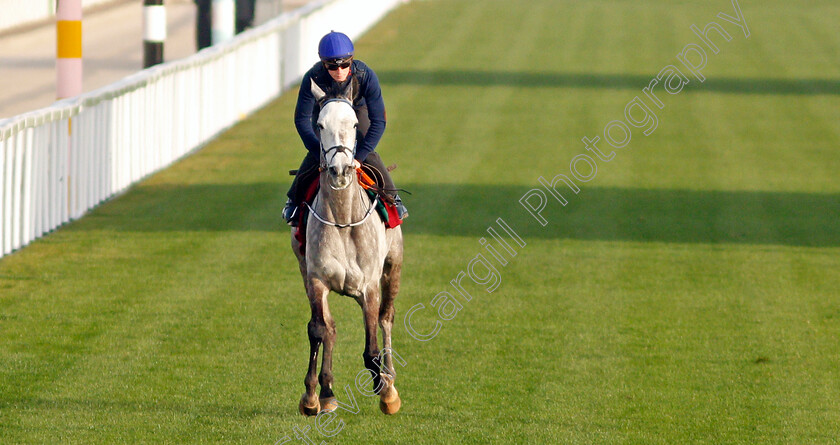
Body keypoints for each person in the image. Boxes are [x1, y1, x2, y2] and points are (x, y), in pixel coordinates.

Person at [283, 31, 407, 225]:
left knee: (369, 152)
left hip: (357, 109)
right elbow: (301, 120)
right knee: (316, 154)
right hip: (325, 111)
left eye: (344, 64)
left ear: (352, 61)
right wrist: (319, 152)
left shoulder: (365, 75)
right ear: (323, 64)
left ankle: (393, 198)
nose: (339, 70)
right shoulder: (312, 78)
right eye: (332, 66)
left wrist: (359, 157)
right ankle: (294, 200)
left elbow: (379, 121)